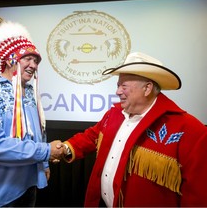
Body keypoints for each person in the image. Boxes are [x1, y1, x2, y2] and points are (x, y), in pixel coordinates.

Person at [59, 52, 207, 207]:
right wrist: (64, 149)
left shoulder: (189, 129)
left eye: (124, 86)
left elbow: (198, 194)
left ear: (147, 88)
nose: (117, 92)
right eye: (118, 86)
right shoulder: (114, 114)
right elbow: (92, 136)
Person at [0, 21, 64, 207]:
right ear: (11, 59)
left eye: (36, 61)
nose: (33, 65)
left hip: (30, 185)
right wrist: (45, 152)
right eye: (28, 59)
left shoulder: (29, 92)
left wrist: (44, 164)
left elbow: (38, 131)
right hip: (1, 192)